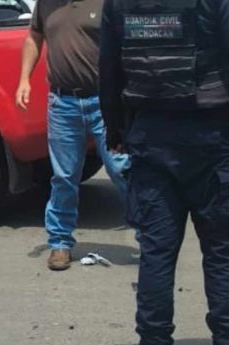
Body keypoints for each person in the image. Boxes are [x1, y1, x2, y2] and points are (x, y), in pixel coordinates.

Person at [99, 1, 229, 344]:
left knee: (156, 252)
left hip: (151, 135)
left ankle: (154, 338)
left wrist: (116, 130)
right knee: (221, 252)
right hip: (211, 136)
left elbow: (108, 69)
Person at [15, 0, 130, 271]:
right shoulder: (46, 4)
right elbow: (34, 37)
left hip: (104, 101)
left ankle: (149, 236)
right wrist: (24, 79)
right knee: (64, 177)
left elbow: (125, 46)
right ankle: (60, 243)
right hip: (62, 102)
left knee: (121, 168)